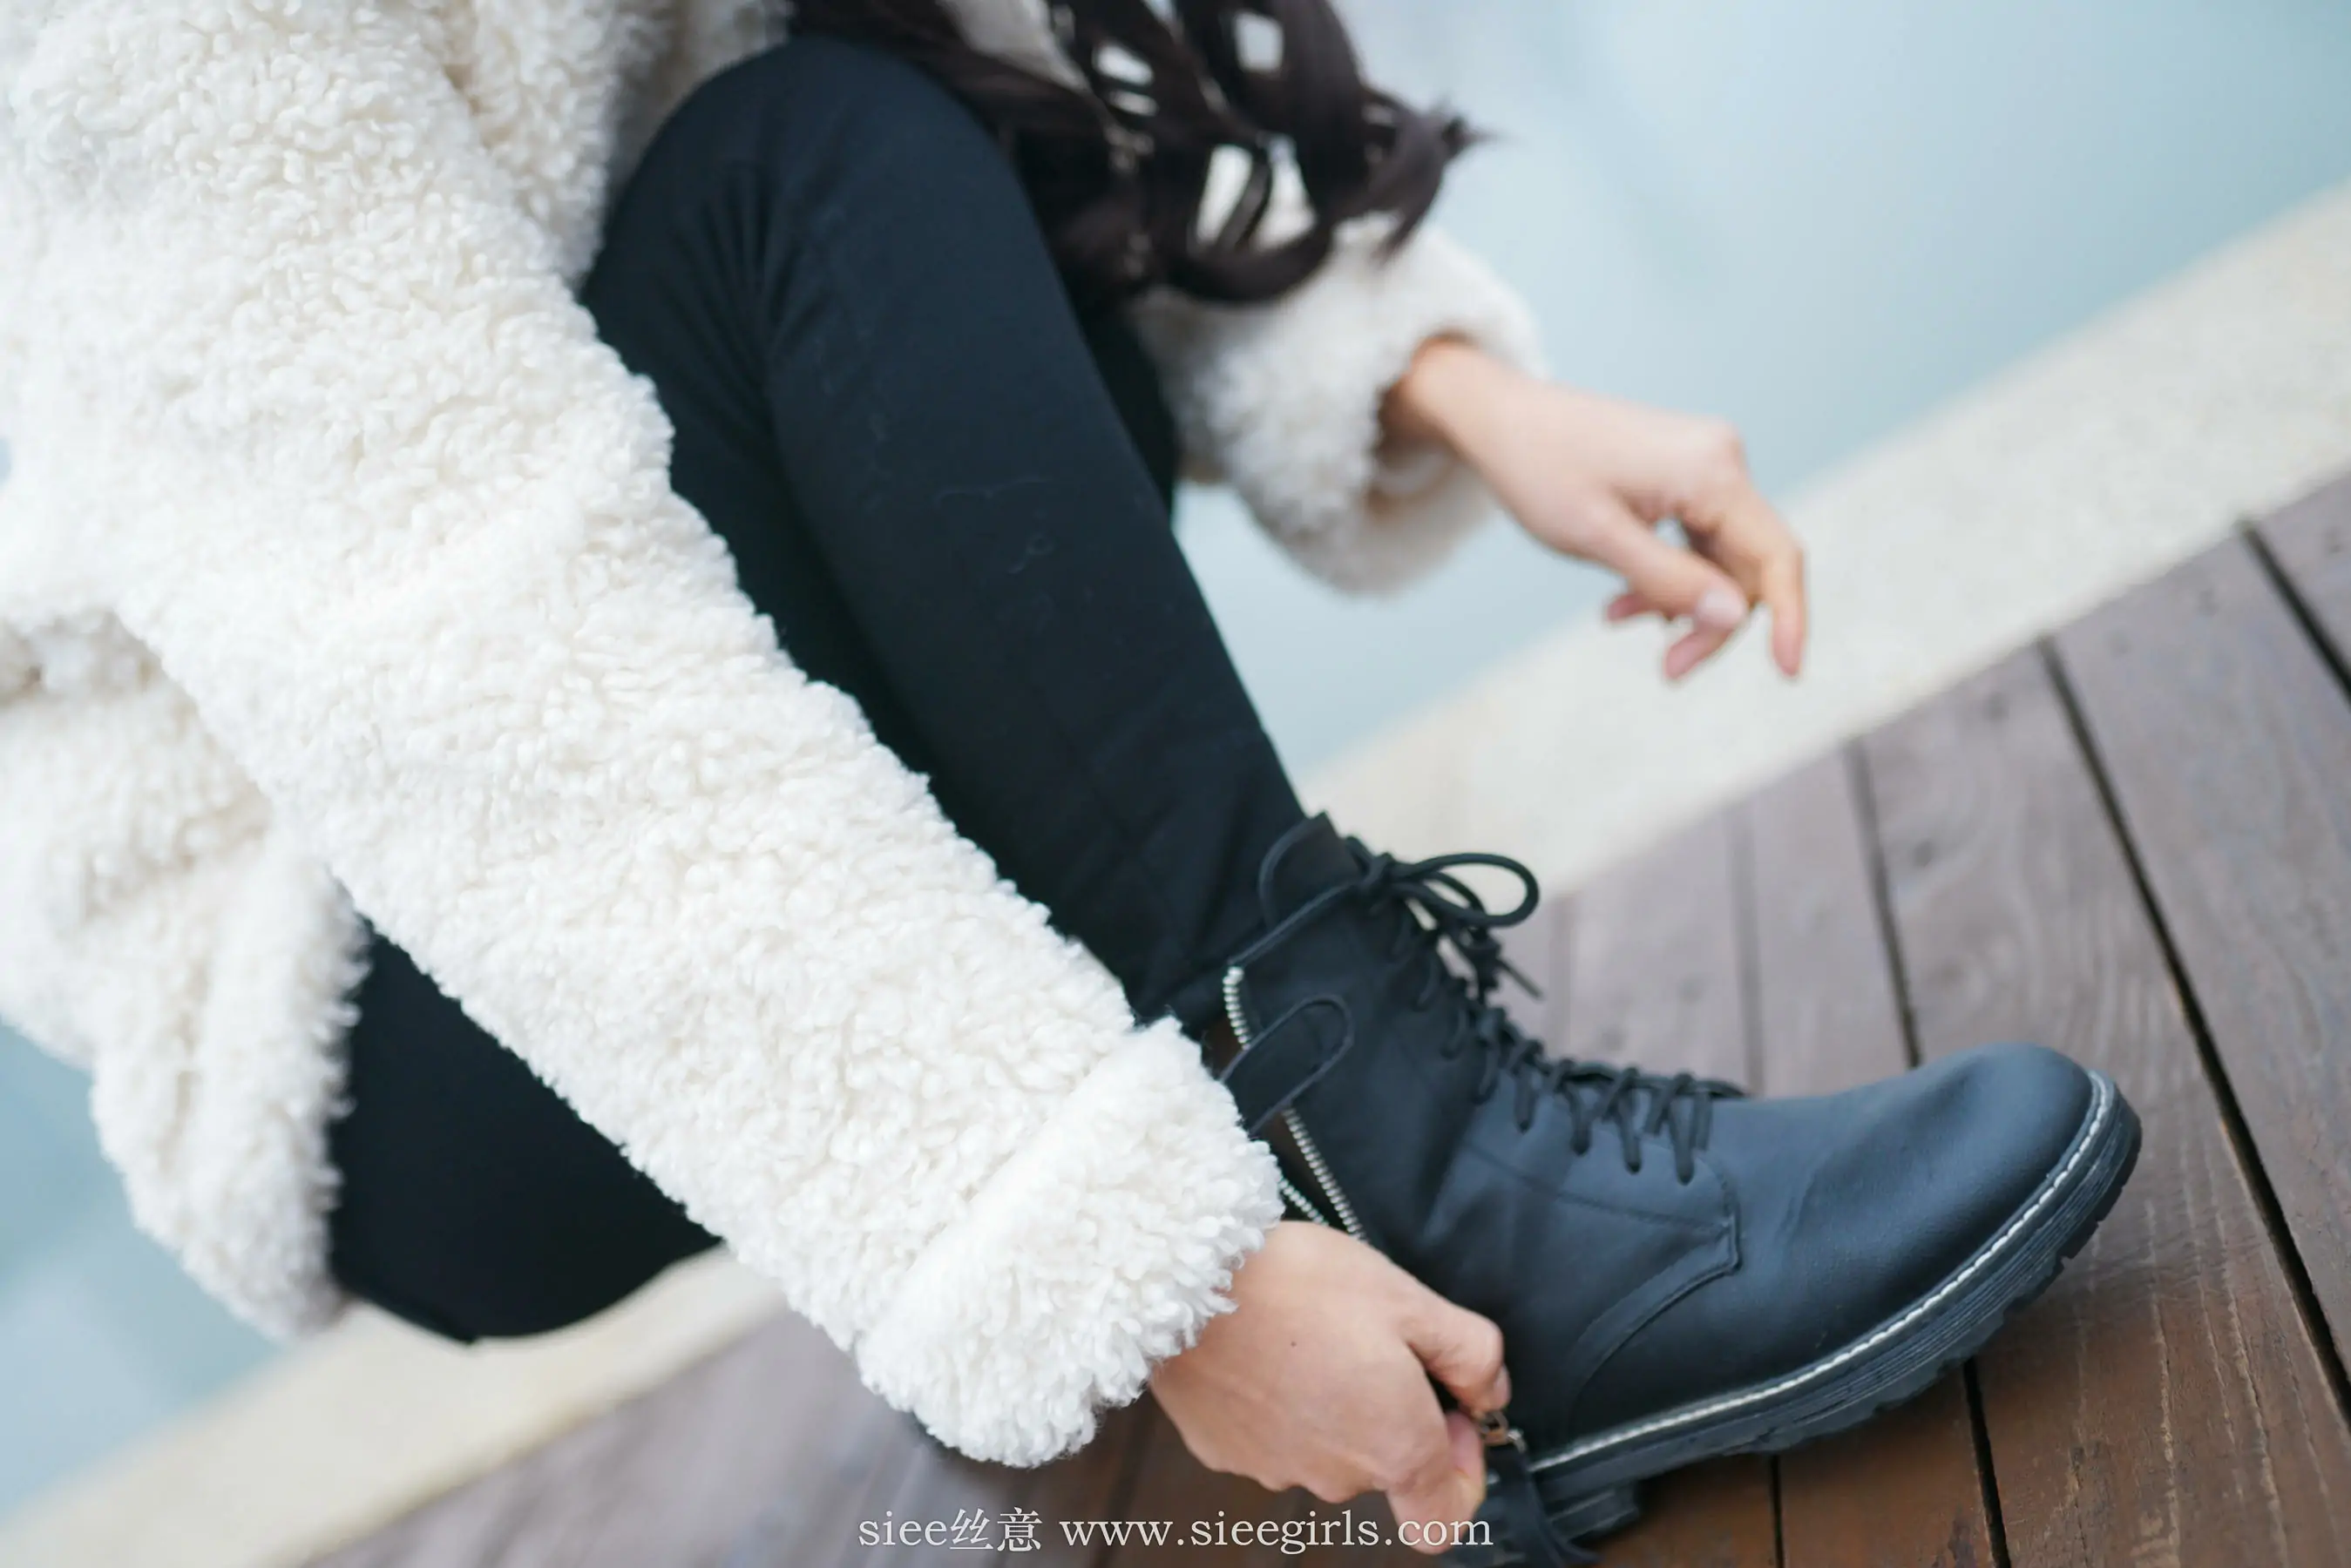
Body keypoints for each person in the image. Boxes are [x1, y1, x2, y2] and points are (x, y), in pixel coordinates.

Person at [0, 3, 2138, 1560]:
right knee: (797, 179)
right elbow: (484, 680)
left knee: (908, 175)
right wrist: (1133, 1271)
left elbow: (1023, 94)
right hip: (378, 995)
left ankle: (1344, 1140)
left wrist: (1452, 388)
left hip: (619, 755)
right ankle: (1408, 1171)